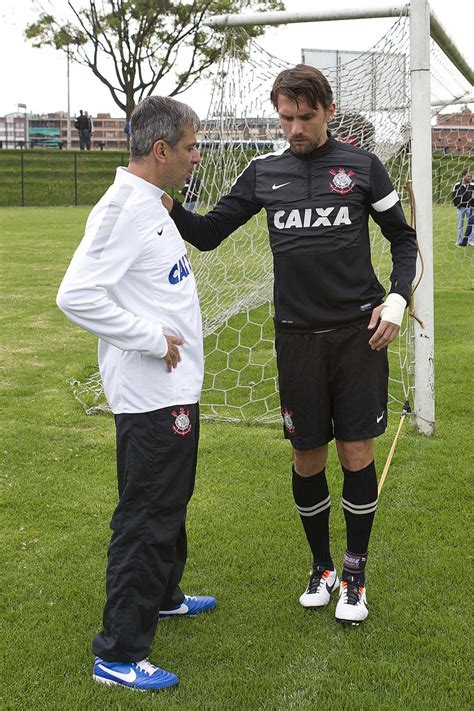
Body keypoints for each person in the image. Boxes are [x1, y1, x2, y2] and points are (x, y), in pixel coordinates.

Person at [163, 64, 417, 625]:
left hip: (358, 335)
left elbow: (403, 238)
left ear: (326, 111)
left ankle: (354, 574)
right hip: (296, 338)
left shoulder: (362, 167)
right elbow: (208, 235)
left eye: (304, 117)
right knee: (307, 457)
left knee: (355, 452)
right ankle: (322, 567)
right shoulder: (262, 172)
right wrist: (167, 203)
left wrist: (397, 298)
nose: (294, 128)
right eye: (285, 118)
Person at [57, 96, 216, 693]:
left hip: (176, 386)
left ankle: (166, 594)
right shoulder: (121, 208)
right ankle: (119, 653)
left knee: (168, 503)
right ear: (161, 150)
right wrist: (151, 338)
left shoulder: (155, 204)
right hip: (150, 392)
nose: (197, 156)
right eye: (192, 146)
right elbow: (75, 295)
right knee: (146, 514)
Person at [452, 168, 474, 247]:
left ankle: (471, 241)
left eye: (470, 176)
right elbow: (454, 196)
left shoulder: (472, 185)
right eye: (468, 176)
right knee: (460, 225)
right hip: (460, 208)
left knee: (471, 224)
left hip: (470, 208)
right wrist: (458, 205)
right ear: (463, 176)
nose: (470, 178)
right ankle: (459, 241)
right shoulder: (457, 185)